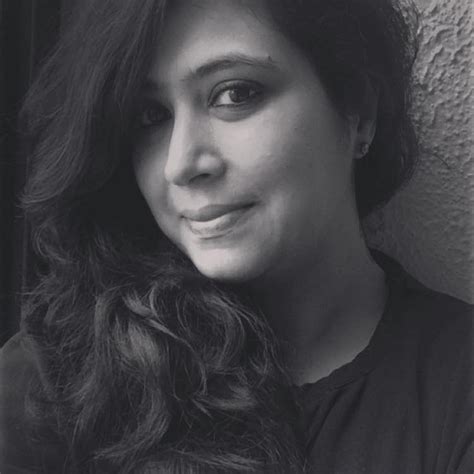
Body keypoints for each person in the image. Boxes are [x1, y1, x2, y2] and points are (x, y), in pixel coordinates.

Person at [0, 0, 472, 472]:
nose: (180, 164)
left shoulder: (456, 385)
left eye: (235, 94)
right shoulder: (54, 381)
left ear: (358, 110)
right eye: (149, 115)